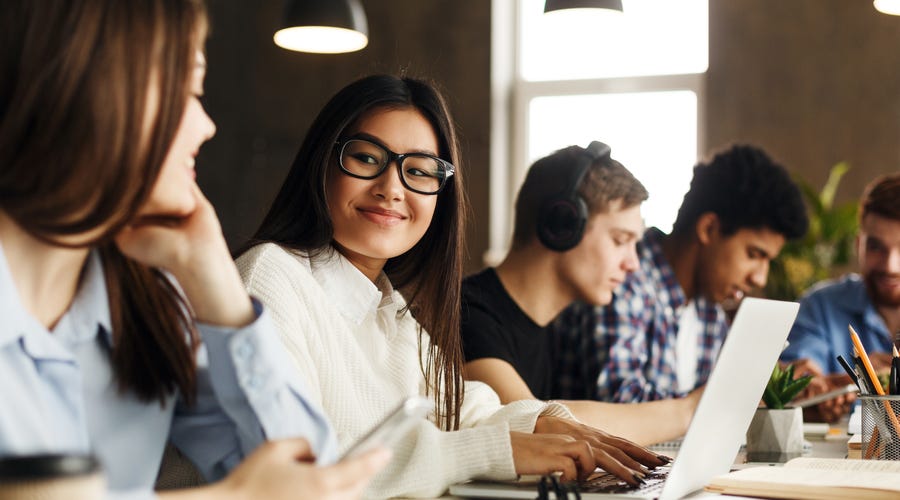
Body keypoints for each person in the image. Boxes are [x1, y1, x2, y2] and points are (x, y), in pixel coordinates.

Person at [0, 1, 389, 499]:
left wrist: (219, 289)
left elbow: (308, 476)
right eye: (188, 92)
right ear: (92, 91)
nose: (206, 126)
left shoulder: (150, 296)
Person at [236, 74, 669, 498]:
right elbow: (296, 471)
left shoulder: (387, 306)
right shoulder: (269, 277)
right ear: (322, 165)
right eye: (367, 158)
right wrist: (495, 450)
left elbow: (464, 407)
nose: (392, 189)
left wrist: (543, 423)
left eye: (420, 171)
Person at [461, 143, 703, 446]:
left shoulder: (560, 327)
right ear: (562, 225)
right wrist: (692, 409)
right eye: (619, 240)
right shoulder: (467, 314)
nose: (633, 264)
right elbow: (536, 426)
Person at [550, 145, 809, 403]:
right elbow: (621, 401)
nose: (760, 278)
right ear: (708, 229)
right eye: (754, 254)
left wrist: (785, 392)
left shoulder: (709, 309)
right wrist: (728, 402)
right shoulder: (622, 278)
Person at [781, 173, 900, 421]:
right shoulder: (819, 305)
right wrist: (814, 385)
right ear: (858, 245)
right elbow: (799, 373)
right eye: (876, 247)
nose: (891, 266)